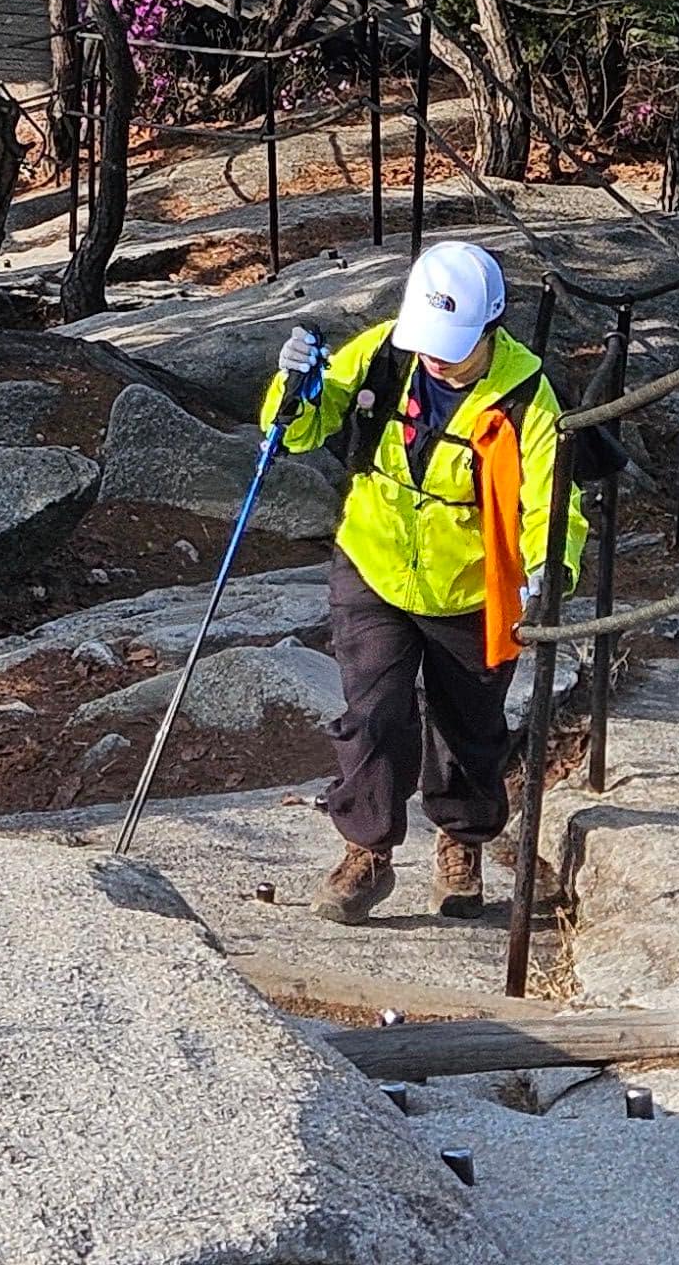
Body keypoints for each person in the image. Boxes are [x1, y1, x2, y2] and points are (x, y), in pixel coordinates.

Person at [261, 237, 581, 925]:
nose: (436, 354)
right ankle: (366, 851)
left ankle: (461, 840)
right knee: (372, 714)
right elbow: (296, 431)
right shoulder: (385, 350)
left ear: (491, 328)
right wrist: (294, 386)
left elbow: (552, 504)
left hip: (471, 587)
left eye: (454, 341)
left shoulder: (526, 396)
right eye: (430, 337)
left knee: (470, 726)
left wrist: (551, 570)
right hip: (373, 564)